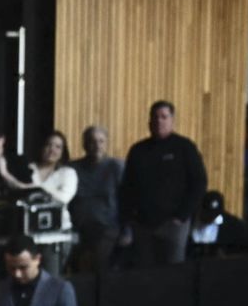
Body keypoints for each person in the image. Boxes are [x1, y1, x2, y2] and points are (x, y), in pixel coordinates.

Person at [118, 100, 206, 268]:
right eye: (155, 117)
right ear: (149, 121)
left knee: (174, 273)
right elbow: (127, 188)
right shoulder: (138, 150)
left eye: (164, 117)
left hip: (173, 225)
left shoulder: (184, 147)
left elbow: (199, 182)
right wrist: (129, 219)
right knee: (145, 274)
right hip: (143, 225)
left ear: (172, 120)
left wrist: (182, 216)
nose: (159, 121)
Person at [67, 124, 123, 274]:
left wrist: (127, 231)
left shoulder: (116, 167)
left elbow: (127, 200)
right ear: (84, 144)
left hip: (107, 228)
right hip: (77, 229)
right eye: (92, 141)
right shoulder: (72, 168)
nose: (97, 145)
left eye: (101, 141)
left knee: (98, 266)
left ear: (107, 144)